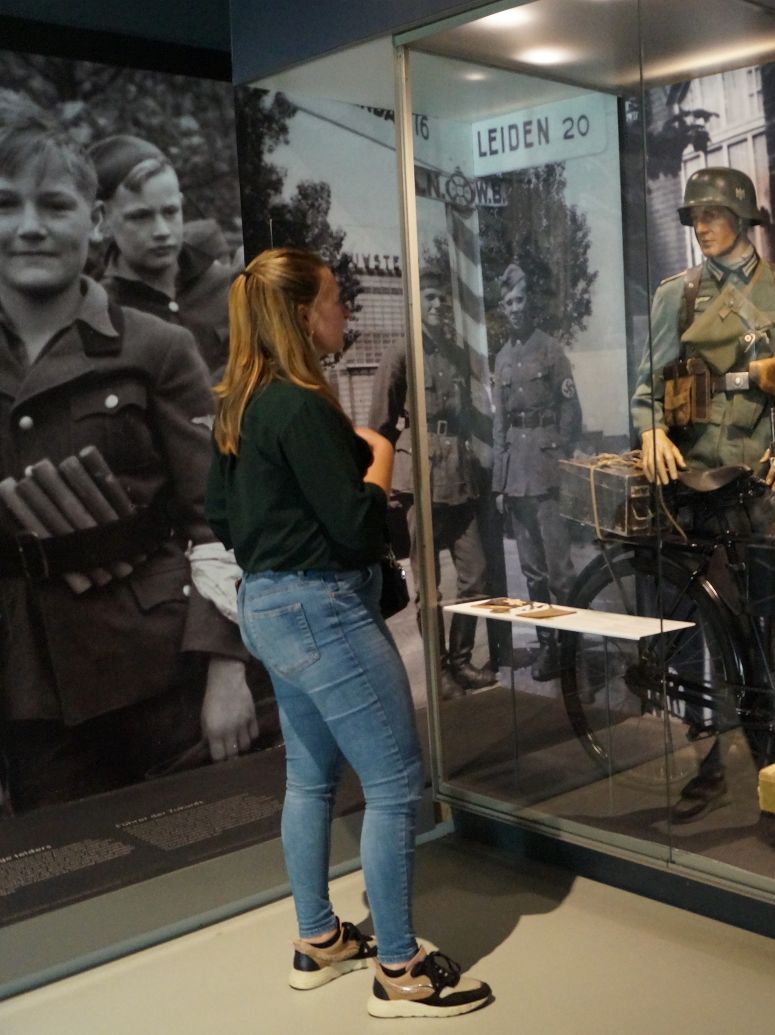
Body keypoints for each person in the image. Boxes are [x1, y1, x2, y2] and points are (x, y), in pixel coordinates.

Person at [207, 247, 492, 1018]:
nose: (347, 314)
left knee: (309, 778)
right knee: (396, 782)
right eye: (335, 300)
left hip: (269, 605)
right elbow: (360, 523)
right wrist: (380, 458)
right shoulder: (300, 403)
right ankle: (398, 968)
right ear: (303, 313)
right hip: (321, 606)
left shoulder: (240, 400)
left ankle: (320, 938)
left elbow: (221, 519)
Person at [0, 114, 252, 813]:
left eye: (54, 205)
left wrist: (225, 668)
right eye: (6, 205)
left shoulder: (158, 347)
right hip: (32, 696)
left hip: (160, 670)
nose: (29, 227)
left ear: (93, 218)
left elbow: (218, 519)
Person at [632, 166, 775, 847]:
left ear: (743, 219)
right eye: (695, 214)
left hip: (774, 490)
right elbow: (650, 385)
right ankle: (721, 766)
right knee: (714, 640)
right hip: (700, 490)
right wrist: (652, 428)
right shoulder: (679, 295)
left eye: (714, 213)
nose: (701, 225)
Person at [370, 262, 496, 697]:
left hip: (460, 477)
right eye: (430, 297)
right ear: (415, 304)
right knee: (429, 590)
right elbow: (380, 425)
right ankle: (439, 671)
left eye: (443, 297)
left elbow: (474, 414)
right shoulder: (401, 352)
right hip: (418, 479)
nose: (439, 304)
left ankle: (461, 661)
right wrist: (379, 487)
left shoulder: (456, 350)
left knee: (476, 577)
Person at [491, 257, 581, 682]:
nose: (515, 307)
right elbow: (499, 421)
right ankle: (548, 647)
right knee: (531, 570)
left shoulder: (549, 349)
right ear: (502, 308)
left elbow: (570, 408)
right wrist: (499, 481)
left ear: (531, 304)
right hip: (516, 473)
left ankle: (570, 647)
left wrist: (560, 454)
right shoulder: (502, 358)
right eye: (508, 302)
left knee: (560, 570)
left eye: (521, 299)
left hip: (546, 471)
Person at [88, 134, 235, 380]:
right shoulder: (102, 316)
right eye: (140, 216)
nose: (162, 231)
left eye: (170, 212)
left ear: (180, 205)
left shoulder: (232, 286)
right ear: (101, 221)